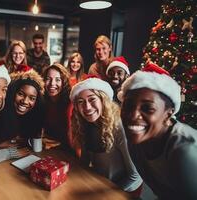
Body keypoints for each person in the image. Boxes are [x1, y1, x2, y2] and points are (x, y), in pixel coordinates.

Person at [119, 62, 197, 200]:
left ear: (168, 114)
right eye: (128, 106)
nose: (133, 115)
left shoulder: (184, 150)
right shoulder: (136, 138)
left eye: (148, 108)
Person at [69, 76, 143, 197]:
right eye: (81, 102)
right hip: (100, 184)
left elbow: (135, 176)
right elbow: (84, 162)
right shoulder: (84, 125)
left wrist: (106, 194)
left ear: (103, 100)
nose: (87, 107)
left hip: (125, 190)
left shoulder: (121, 127)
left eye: (92, 99)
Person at [0, 64, 45, 149]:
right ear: (12, 93)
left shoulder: (33, 118)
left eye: (32, 98)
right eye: (20, 94)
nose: (25, 101)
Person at [42, 63, 72, 148]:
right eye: (48, 79)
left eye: (58, 80)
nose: (52, 83)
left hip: (67, 150)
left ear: (64, 82)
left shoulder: (70, 103)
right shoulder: (43, 100)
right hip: (49, 148)